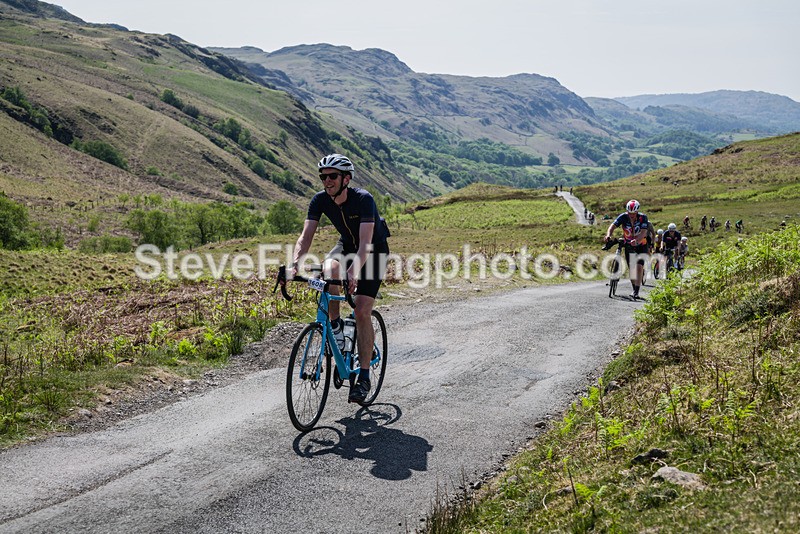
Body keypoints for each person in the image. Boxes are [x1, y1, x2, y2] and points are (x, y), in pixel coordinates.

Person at [291, 154, 390, 405]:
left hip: (374, 251)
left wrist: (354, 270)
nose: (327, 181)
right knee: (328, 269)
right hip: (345, 246)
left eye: (332, 176)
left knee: (361, 311)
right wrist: (295, 264)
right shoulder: (320, 200)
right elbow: (305, 237)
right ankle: (335, 326)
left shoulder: (363, 200)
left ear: (346, 178)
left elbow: (365, 243)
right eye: (323, 176)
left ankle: (365, 377)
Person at [604, 199, 650, 299]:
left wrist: (637, 240)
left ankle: (636, 292)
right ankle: (634, 288)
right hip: (629, 245)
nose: (631, 214)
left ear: (637, 211)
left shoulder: (643, 218)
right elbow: (612, 226)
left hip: (641, 245)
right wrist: (608, 235)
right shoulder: (623, 217)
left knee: (639, 267)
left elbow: (643, 232)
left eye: (633, 213)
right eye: (629, 212)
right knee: (632, 269)